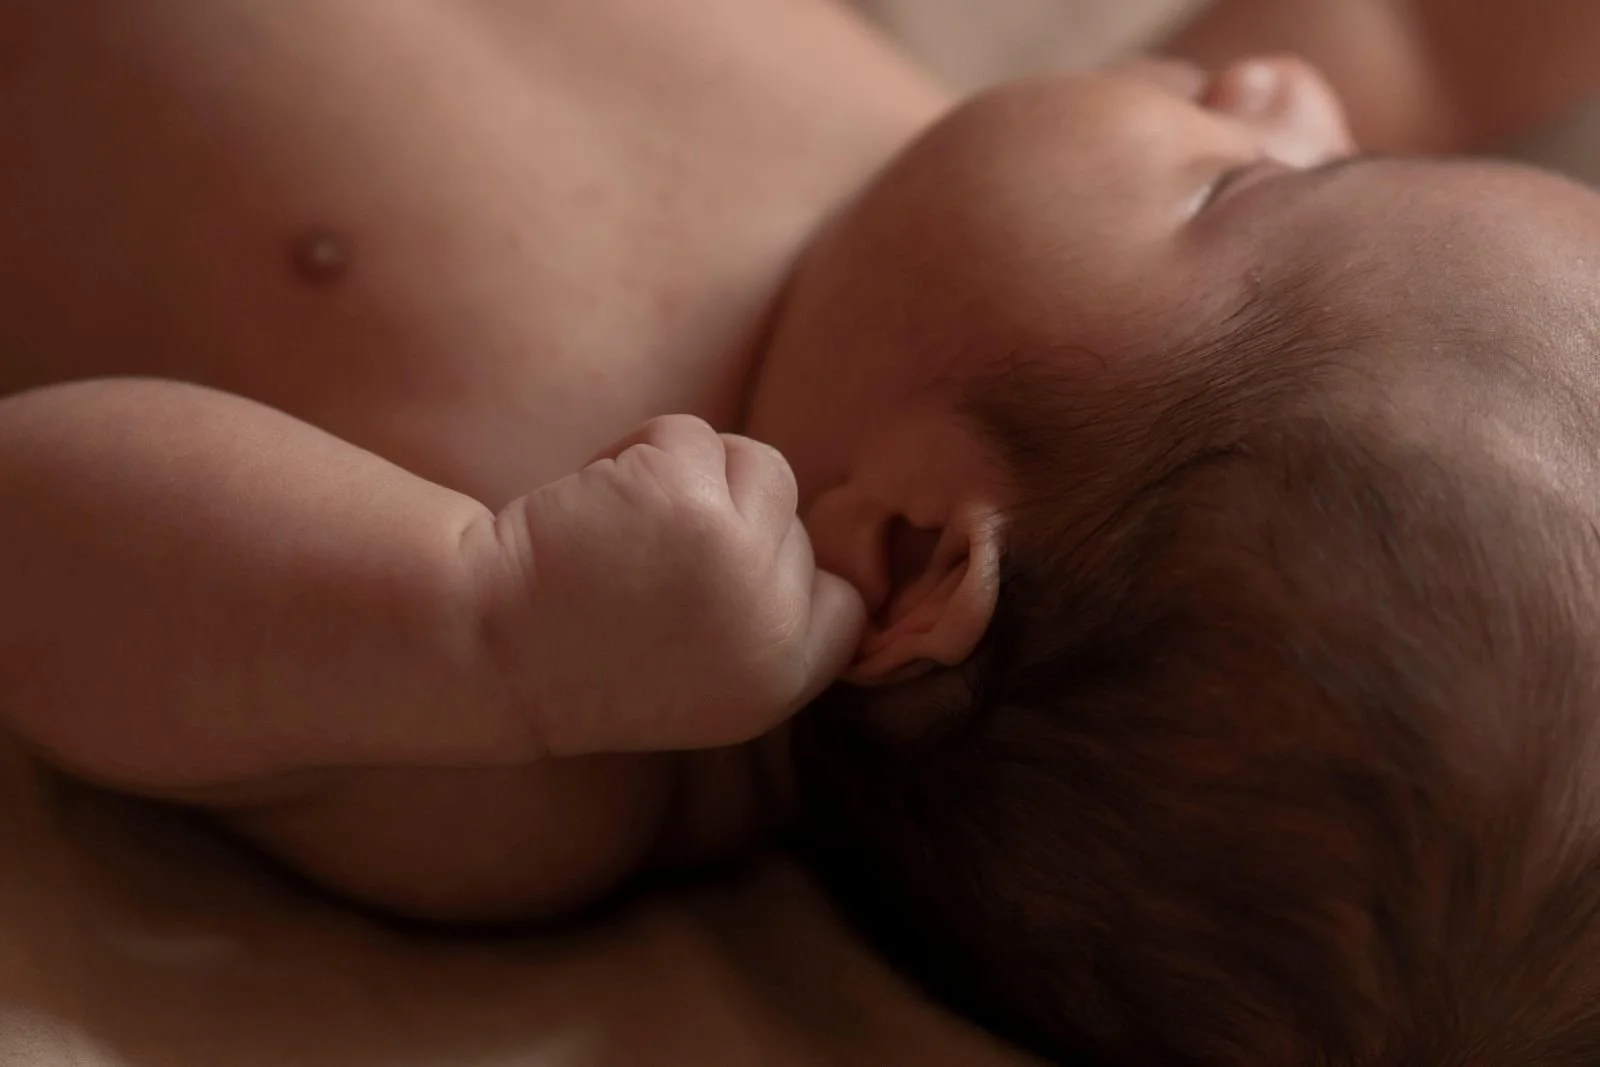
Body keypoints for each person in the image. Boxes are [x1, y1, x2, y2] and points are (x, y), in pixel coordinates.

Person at [0, 0, 1598, 1061]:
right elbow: (1408, 33)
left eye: (1247, 193)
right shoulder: (953, 243)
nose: (1283, 95)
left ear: (908, 557)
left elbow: (31, 545)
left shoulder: (537, 755)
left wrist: (477, 630)